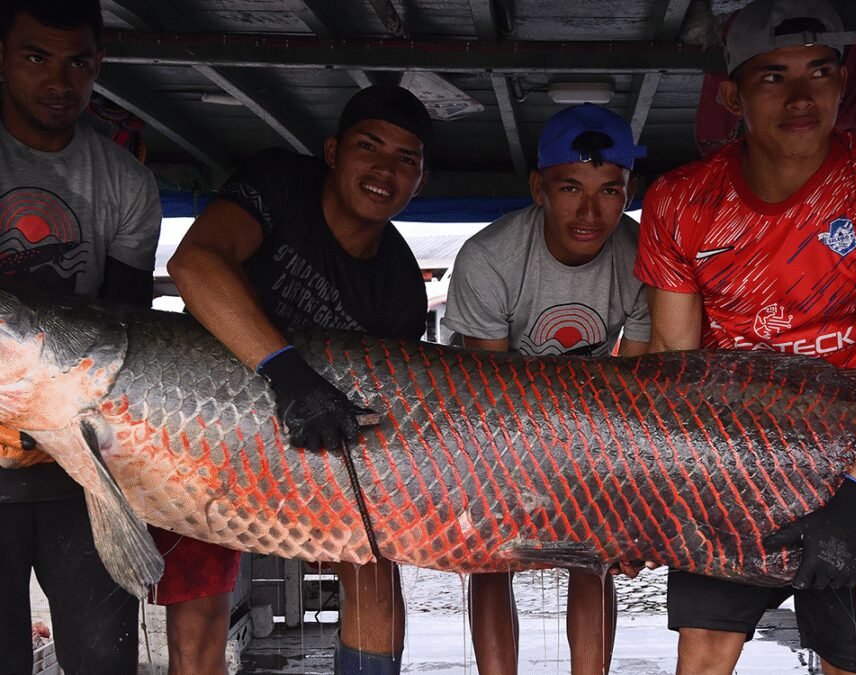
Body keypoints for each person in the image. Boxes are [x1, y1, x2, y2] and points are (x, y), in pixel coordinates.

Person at [633, 0, 856, 673]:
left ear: (843, 83)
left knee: (854, 663)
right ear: (733, 96)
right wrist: (654, 494)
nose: (802, 96)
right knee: (702, 656)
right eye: (773, 76)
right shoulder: (680, 200)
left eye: (819, 71)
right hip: (727, 466)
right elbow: (674, 364)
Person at [166, 84, 431, 675]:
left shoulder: (400, 285)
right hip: (209, 419)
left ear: (420, 182)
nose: (383, 170)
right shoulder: (281, 182)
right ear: (333, 152)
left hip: (320, 440)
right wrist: (287, 374)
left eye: (405, 159)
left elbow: (386, 399)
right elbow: (195, 262)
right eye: (369, 147)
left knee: (374, 568)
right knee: (200, 595)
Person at [441, 103, 650, 675]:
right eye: (570, 188)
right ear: (539, 188)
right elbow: (492, 391)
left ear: (628, 193)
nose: (590, 212)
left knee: (596, 553)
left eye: (610, 190)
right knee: (492, 555)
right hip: (497, 415)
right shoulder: (490, 257)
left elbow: (635, 387)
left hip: (597, 415)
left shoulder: (642, 258)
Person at [0, 0, 162, 673]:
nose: (58, 81)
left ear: (99, 63)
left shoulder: (126, 184)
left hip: (81, 469)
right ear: (2, 55)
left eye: (77, 62)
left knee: (103, 660)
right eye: (36, 57)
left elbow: (126, 333)